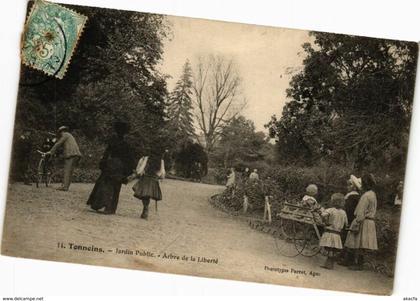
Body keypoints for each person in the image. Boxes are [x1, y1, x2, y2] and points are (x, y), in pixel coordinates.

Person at [87, 121, 135, 214]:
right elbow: (129, 158)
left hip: (111, 164)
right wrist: (128, 171)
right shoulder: (126, 144)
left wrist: (103, 163)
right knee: (115, 186)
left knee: (106, 184)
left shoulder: (113, 141)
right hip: (119, 166)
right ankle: (111, 208)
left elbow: (107, 153)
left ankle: (102, 205)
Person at [344, 173, 378, 270]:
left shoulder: (366, 196)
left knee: (358, 242)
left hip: (363, 220)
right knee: (362, 243)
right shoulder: (373, 194)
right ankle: (356, 262)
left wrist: (357, 221)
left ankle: (357, 263)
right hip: (369, 221)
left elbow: (361, 210)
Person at [130, 151, 166, 219]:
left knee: (145, 195)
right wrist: (160, 177)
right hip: (154, 179)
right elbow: (162, 172)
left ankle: (145, 209)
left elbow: (141, 168)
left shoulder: (147, 158)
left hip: (146, 178)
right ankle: (145, 209)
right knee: (147, 195)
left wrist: (139, 173)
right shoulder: (161, 160)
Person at [47, 126, 82, 191]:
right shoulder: (69, 135)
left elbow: (58, 144)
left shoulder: (65, 135)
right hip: (76, 154)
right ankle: (66, 186)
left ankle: (64, 187)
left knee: (67, 170)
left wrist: (51, 151)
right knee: (70, 171)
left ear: (61, 131)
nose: (60, 134)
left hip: (71, 154)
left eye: (60, 132)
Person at [319, 193, 348, 269]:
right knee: (333, 249)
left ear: (332, 201)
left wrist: (324, 217)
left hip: (330, 231)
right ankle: (330, 264)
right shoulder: (343, 213)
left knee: (328, 248)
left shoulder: (330, 210)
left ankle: (328, 264)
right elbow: (346, 223)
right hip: (337, 233)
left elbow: (322, 215)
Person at [338, 175, 362, 266]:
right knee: (347, 239)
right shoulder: (355, 197)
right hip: (351, 219)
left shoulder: (352, 197)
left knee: (346, 238)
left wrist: (345, 220)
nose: (347, 187)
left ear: (353, 187)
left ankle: (344, 257)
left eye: (349, 185)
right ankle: (343, 256)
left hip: (349, 219)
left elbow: (349, 210)